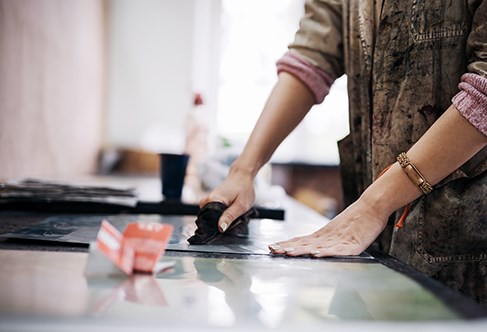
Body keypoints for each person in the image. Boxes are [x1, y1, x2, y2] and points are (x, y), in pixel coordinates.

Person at [200, 0, 487, 304]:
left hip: (464, 254)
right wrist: (243, 171)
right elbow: (312, 57)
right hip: (369, 241)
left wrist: (374, 205)